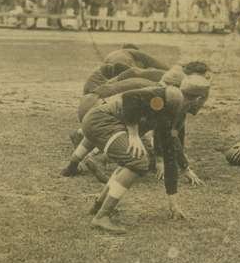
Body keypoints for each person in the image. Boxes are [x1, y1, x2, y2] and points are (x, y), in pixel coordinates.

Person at [85, 76, 210, 234]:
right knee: (138, 162)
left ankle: (98, 207)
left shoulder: (175, 112)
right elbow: (129, 98)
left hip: (105, 122)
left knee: (131, 161)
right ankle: (102, 216)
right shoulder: (170, 97)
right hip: (102, 121)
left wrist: (174, 204)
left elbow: (169, 155)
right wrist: (133, 134)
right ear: (199, 98)